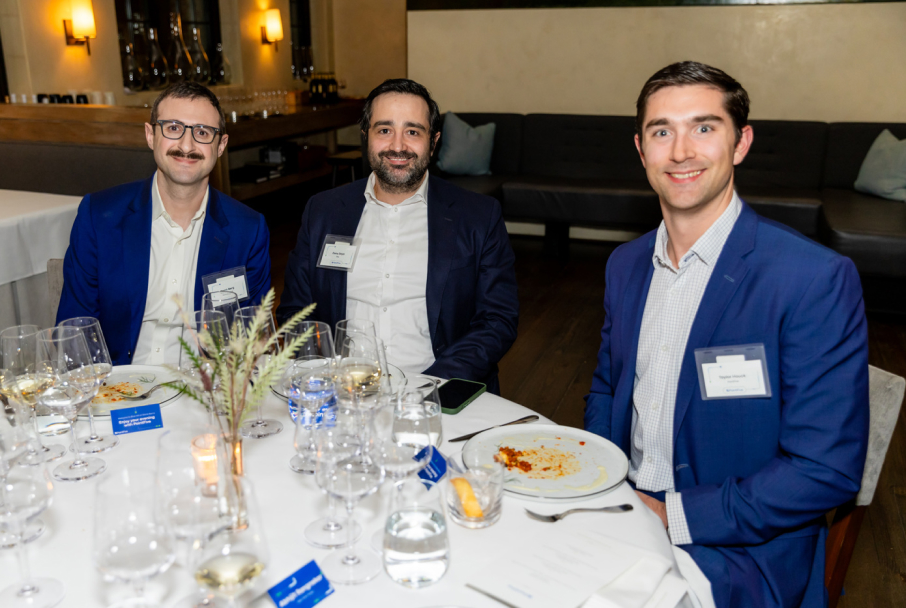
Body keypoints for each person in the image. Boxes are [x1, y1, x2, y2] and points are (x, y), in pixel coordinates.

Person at [584, 62, 868, 608]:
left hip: (742, 551)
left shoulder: (810, 278)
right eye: (661, 131)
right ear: (641, 150)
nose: (681, 151)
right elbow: (606, 388)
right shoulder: (625, 265)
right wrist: (604, 483)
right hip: (623, 511)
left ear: (741, 143)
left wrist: (671, 515)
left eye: (704, 127)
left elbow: (824, 469)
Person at [277, 79, 518, 394]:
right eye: (384, 130)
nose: (398, 146)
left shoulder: (478, 216)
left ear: (433, 142)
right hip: (344, 391)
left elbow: (497, 320)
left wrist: (428, 387)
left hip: (438, 392)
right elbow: (295, 312)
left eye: (413, 132)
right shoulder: (323, 211)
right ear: (366, 136)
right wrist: (328, 375)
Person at [57, 81, 271, 365]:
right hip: (118, 384)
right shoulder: (99, 217)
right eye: (173, 128)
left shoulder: (249, 230)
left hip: (205, 385)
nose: (187, 145)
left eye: (202, 132)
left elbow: (254, 339)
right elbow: (75, 333)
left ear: (221, 146)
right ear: (150, 135)